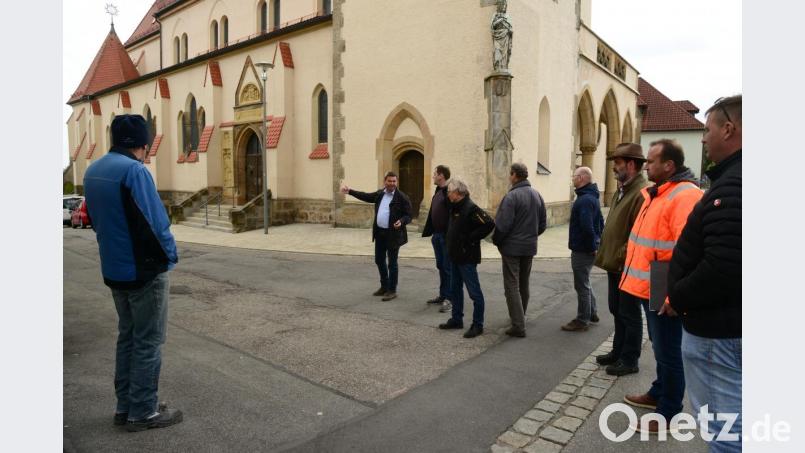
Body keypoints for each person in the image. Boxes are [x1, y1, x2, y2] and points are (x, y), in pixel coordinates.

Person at [83, 114, 182, 432]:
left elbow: (97, 222)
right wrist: (170, 257)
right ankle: (143, 411)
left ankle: (125, 405)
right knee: (149, 341)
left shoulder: (93, 171)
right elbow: (156, 223)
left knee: (127, 337)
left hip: (114, 269)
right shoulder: (134, 171)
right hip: (143, 272)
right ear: (143, 143)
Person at [669, 95, 742, 451]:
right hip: (727, 326)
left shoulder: (733, 187)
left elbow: (724, 266)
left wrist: (678, 295)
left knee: (726, 430)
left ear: (729, 129)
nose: (703, 138)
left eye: (708, 128)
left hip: (719, 332)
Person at [618, 139, 703, 434]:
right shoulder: (657, 192)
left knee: (669, 351)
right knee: (660, 345)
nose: (646, 166)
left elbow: (687, 249)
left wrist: (671, 292)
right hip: (653, 280)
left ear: (669, 165)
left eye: (652, 161)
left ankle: (668, 412)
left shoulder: (684, 195)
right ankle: (658, 391)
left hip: (664, 281)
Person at [593, 144, 650, 369]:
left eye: (618, 163)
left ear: (631, 164)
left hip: (627, 265)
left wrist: (620, 255)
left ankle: (629, 359)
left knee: (629, 313)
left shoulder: (641, 192)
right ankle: (618, 351)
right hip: (615, 265)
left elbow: (638, 233)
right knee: (617, 310)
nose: (614, 168)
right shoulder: (622, 189)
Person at [492, 163, 546, 337]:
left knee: (512, 285)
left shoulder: (512, 197)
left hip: (512, 248)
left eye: (510, 174)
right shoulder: (537, 195)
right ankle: (519, 317)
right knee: (523, 282)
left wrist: (497, 241)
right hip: (529, 246)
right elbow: (542, 224)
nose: (509, 177)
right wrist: (530, 236)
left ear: (514, 175)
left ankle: (518, 325)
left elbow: (502, 225)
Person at [341, 172, 413, 301]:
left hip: (393, 235)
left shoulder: (402, 197)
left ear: (397, 182)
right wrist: (350, 191)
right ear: (385, 181)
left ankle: (392, 290)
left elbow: (409, 215)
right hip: (380, 233)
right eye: (389, 181)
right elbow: (366, 196)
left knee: (392, 263)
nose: (392, 183)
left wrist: (401, 221)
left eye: (394, 181)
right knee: (379, 260)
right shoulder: (380, 194)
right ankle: (384, 286)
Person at [438, 178, 495, 338]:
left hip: (467, 257)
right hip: (455, 256)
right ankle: (457, 319)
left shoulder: (471, 208)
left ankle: (478, 325)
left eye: (450, 191)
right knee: (455, 289)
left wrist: (470, 238)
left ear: (457, 193)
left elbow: (489, 223)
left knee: (474, 292)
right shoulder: (455, 206)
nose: (448, 194)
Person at [562, 167, 604, 332]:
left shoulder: (585, 200)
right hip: (588, 247)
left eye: (574, 176)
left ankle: (582, 320)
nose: (573, 178)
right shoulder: (591, 197)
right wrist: (598, 241)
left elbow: (587, 227)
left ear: (581, 178)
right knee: (585, 282)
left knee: (581, 286)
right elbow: (600, 222)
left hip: (583, 249)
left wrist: (593, 245)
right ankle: (591, 312)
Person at [422, 165, 453, 313]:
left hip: (446, 237)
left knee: (448, 268)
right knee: (441, 266)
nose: (433, 176)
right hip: (437, 235)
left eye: (435, 174)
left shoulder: (450, 191)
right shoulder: (438, 190)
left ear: (441, 175)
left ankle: (450, 299)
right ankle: (443, 295)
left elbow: (454, 214)